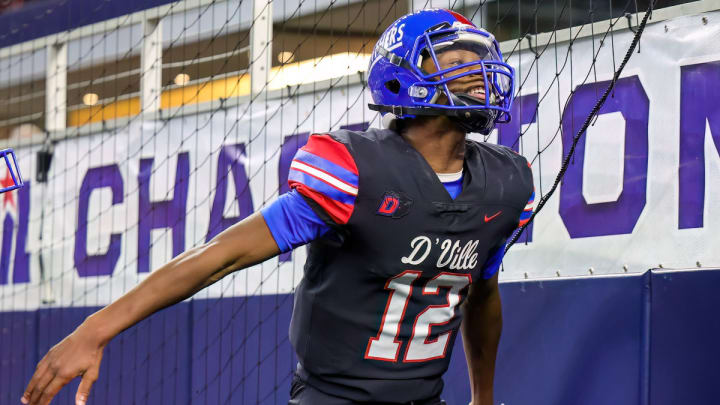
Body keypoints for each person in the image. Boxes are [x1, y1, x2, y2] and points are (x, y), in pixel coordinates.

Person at [22, 8, 534, 405]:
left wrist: (482, 396)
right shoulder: (356, 170)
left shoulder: (503, 182)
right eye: (457, 58)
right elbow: (222, 254)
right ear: (403, 74)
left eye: (481, 57)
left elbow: (481, 292)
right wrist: (96, 328)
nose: (479, 71)